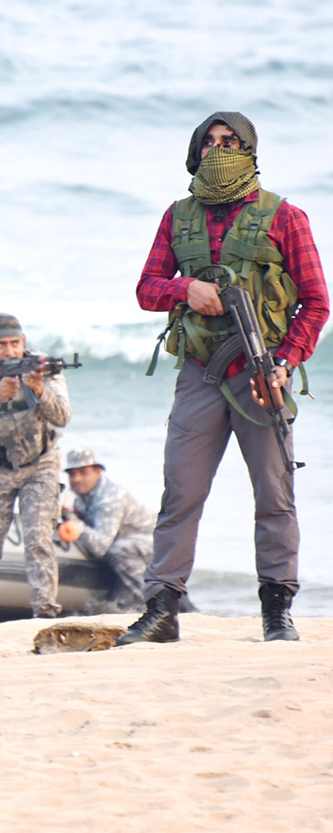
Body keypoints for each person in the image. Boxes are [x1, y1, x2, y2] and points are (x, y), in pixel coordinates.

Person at [120, 111, 329, 645]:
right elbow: (147, 287)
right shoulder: (178, 215)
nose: (219, 150)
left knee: (274, 494)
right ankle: (163, 609)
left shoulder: (285, 217)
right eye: (209, 142)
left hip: (260, 377)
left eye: (230, 141)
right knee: (180, 493)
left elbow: (315, 303)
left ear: (249, 149)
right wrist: (184, 289)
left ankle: (277, 611)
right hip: (199, 373)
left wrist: (283, 364)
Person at [0, 313, 72, 623]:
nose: (9, 352)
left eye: (15, 344)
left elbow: (62, 417)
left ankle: (45, 613)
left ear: (24, 343)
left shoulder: (42, 366)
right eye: (1, 345)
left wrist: (40, 391)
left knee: (38, 541)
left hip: (40, 464)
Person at [58, 448, 154, 613]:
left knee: (118, 550)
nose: (77, 479)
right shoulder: (78, 497)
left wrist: (71, 519)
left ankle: (145, 605)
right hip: (124, 544)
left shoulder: (110, 496)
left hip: (154, 543)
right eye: (72, 474)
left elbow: (101, 546)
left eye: (83, 472)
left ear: (98, 471)